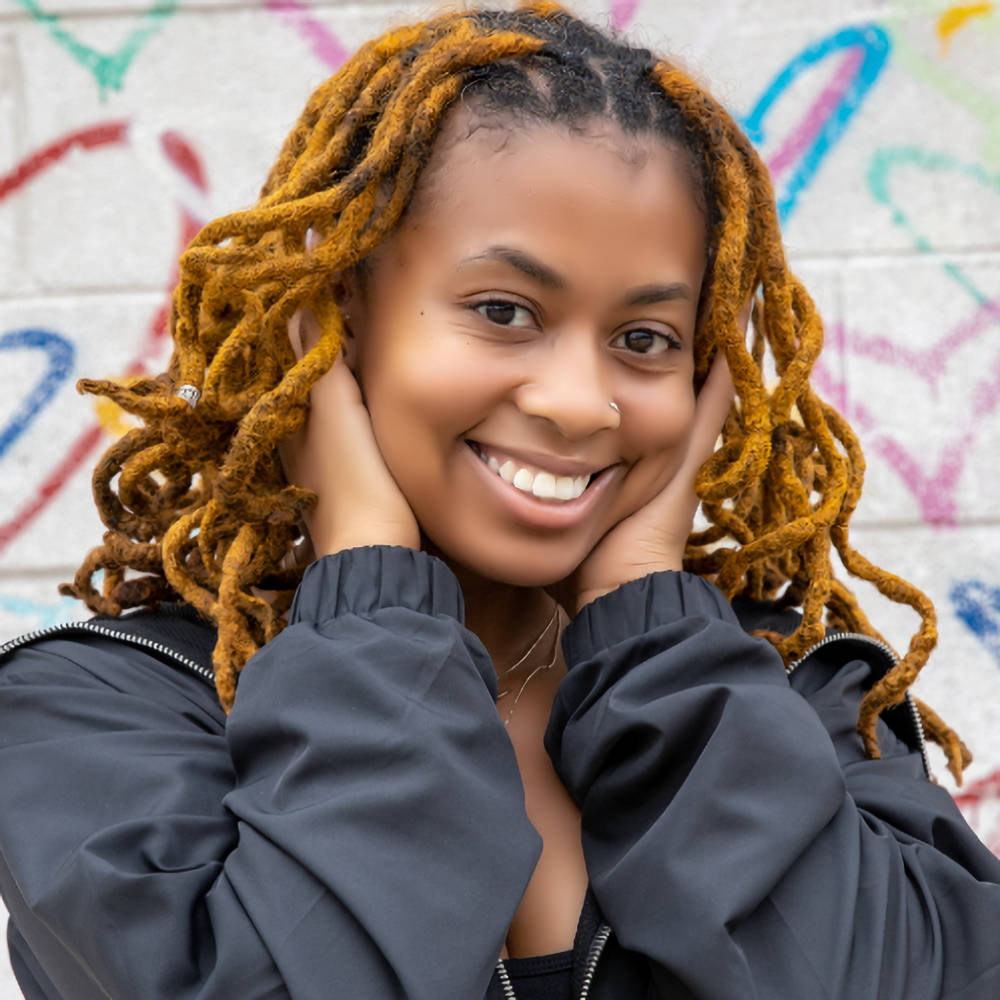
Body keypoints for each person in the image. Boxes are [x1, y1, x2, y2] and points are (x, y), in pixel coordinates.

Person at [1, 3, 998, 997]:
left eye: (644, 337)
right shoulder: (94, 716)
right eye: (504, 311)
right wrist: (371, 585)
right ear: (331, 317)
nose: (577, 401)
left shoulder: (796, 698)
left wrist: (651, 623)